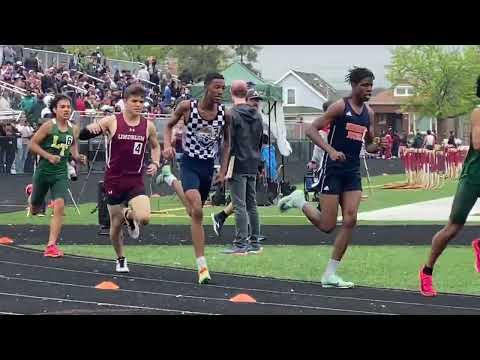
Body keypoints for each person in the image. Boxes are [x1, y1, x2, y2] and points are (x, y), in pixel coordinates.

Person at [277, 67, 375, 289]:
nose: (369, 89)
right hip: (333, 170)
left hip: (352, 171)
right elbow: (312, 129)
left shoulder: (369, 113)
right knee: (327, 225)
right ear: (354, 86)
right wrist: (330, 150)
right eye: (365, 85)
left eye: (371, 85)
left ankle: (330, 275)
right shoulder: (341, 106)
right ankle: (299, 201)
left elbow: (369, 143)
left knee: (350, 219)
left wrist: (377, 145)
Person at [79, 84, 161, 273]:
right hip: (114, 180)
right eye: (134, 101)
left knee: (145, 218)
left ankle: (129, 216)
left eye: (141, 101)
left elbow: (156, 146)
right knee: (115, 226)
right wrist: (87, 130)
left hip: (135, 179)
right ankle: (121, 258)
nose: (138, 105)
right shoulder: (112, 121)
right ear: (125, 101)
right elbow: (87, 133)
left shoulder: (148, 126)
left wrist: (155, 163)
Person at [163, 73, 230, 284]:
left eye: (223, 88)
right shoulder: (187, 107)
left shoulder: (224, 114)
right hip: (190, 163)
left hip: (208, 167)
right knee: (198, 210)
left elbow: (227, 144)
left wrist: (223, 170)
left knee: (193, 212)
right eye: (216, 87)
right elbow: (168, 126)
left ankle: (170, 180)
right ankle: (202, 267)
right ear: (206, 87)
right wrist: (167, 145)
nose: (220, 91)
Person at [419, 77, 480, 297]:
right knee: (453, 228)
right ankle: (427, 271)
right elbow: (478, 144)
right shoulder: (478, 112)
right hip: (474, 176)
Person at [28, 94, 87, 257]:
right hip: (43, 171)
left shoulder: (73, 128)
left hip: (60, 172)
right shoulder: (48, 126)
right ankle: (32, 192)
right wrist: (48, 156)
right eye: (62, 107)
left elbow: (73, 148)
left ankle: (51, 245)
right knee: (35, 209)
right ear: (55, 109)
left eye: (68, 107)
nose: (66, 109)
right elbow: (31, 144)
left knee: (59, 206)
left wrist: (78, 158)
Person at [217, 81, 264, 255]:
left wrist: (223, 169)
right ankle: (254, 243)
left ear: (231, 93)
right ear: (246, 93)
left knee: (239, 205)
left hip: (237, 163)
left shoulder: (231, 114)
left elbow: (228, 144)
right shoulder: (258, 115)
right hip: (253, 162)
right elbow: (260, 141)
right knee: (252, 205)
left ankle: (241, 244)